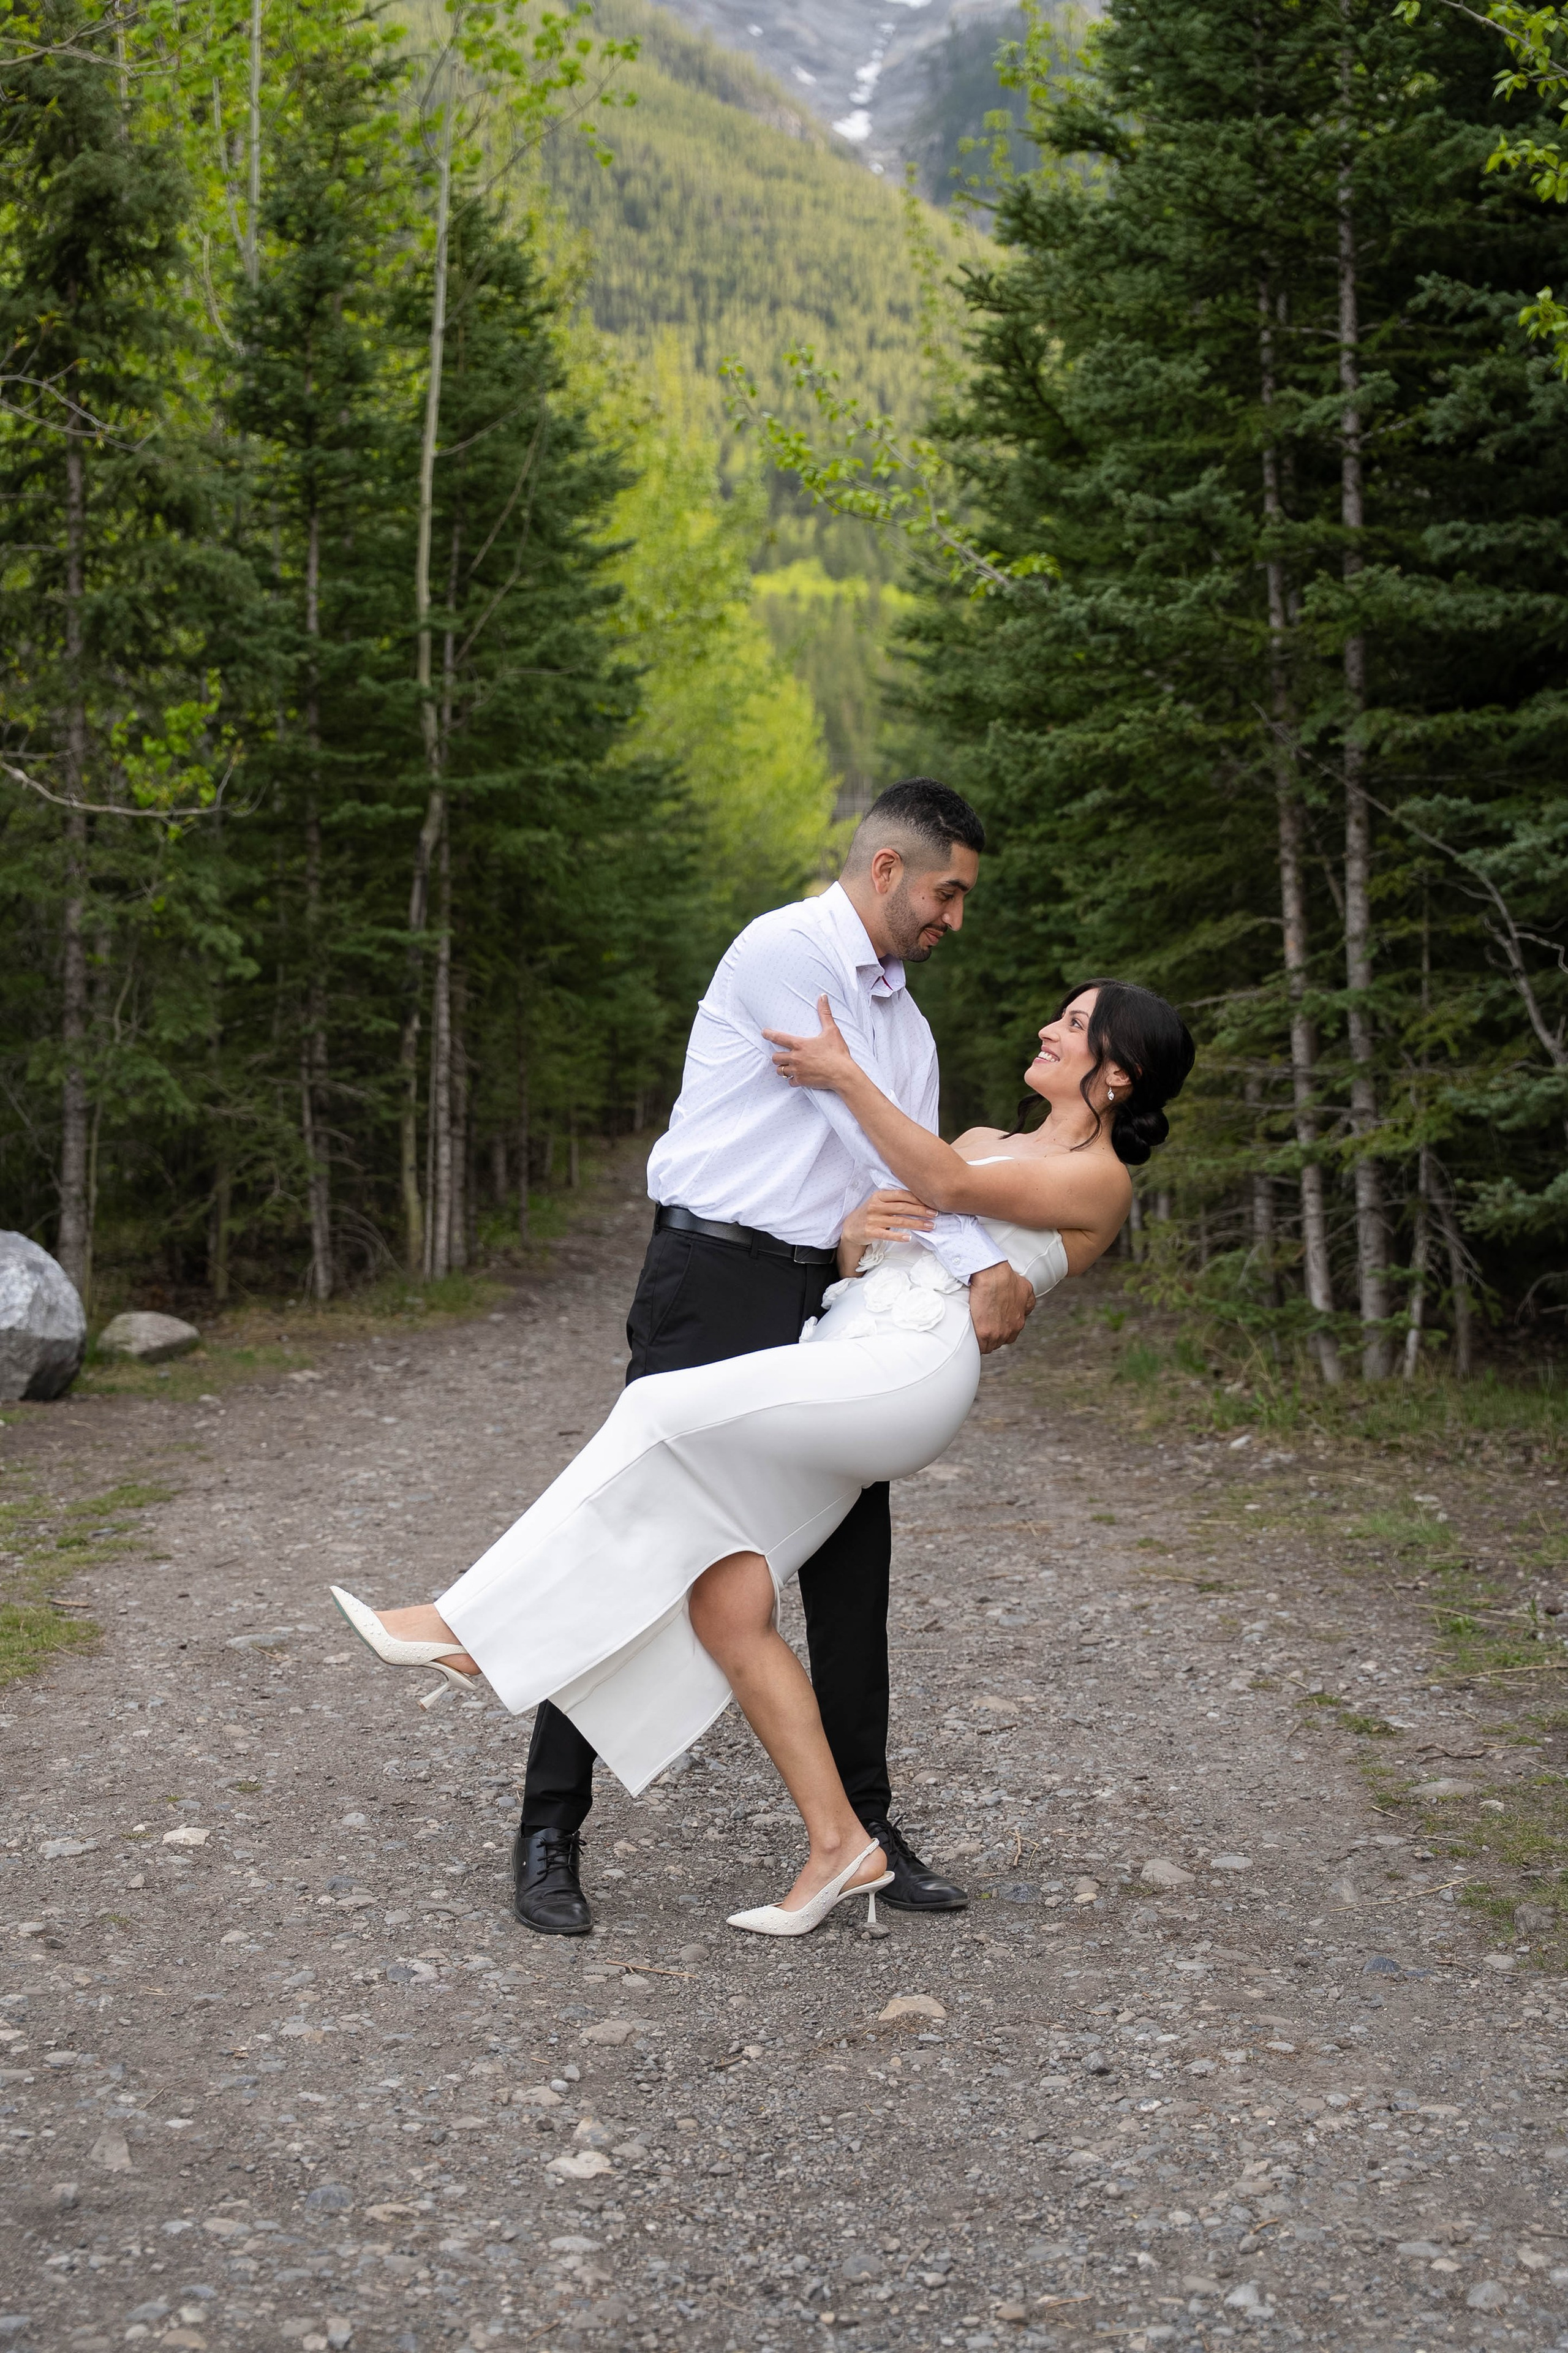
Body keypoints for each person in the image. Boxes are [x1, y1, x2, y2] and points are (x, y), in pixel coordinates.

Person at [330, 970, 1194, 1938]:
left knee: (657, 1409)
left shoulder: (1101, 1180)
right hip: (847, 1343)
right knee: (727, 1598)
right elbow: (911, 1229)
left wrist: (839, 1072)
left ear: (1118, 1074)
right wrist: (852, 1237)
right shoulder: (989, 1139)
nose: (1047, 1027)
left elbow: (946, 1191)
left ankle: (467, 1629)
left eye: (1074, 1025)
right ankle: (842, 1841)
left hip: (909, 1371)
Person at [518, 777, 1034, 1935]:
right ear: (889, 869)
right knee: (643, 1540)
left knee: (852, 1568)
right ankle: (550, 1824)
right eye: (948, 893)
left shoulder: (908, 1025)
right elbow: (879, 1140)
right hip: (715, 1281)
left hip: (832, 1299)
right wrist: (989, 1255)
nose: (956, 919)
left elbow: (901, 1181)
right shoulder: (785, 952)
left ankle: (866, 1826)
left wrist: (941, 1247)